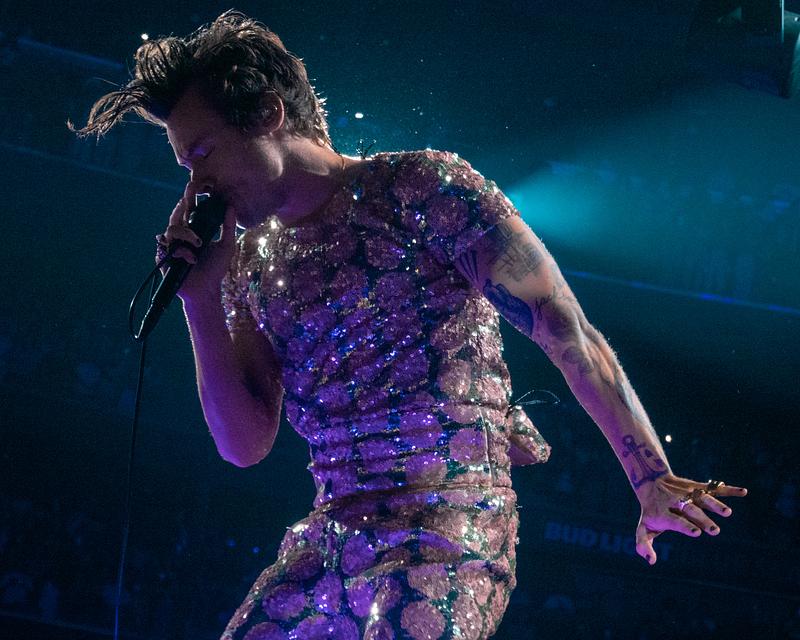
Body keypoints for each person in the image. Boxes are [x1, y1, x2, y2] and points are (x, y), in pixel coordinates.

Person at [73, 10, 748, 640]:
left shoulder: (420, 188)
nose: (197, 187)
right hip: (333, 536)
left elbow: (564, 328)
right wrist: (199, 298)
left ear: (269, 114)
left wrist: (649, 476)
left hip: (451, 527)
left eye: (203, 154)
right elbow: (243, 446)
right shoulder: (246, 264)